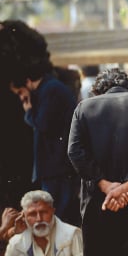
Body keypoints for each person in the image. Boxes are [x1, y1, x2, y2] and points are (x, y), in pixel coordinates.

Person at [67, 68, 128, 256]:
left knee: (100, 247)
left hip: (98, 197)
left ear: (98, 90)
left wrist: (106, 186)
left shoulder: (84, 108)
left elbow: (75, 151)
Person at [9, 49, 81, 228]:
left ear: (27, 82)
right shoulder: (51, 89)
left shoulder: (49, 91)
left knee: (57, 215)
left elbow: (44, 124)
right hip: (58, 167)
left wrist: (28, 111)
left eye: (20, 92)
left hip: (57, 167)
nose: (21, 97)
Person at [5, 190, 83, 256]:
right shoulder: (16, 243)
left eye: (44, 212)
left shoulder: (72, 234)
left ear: (53, 211)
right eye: (32, 214)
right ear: (24, 216)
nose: (39, 219)